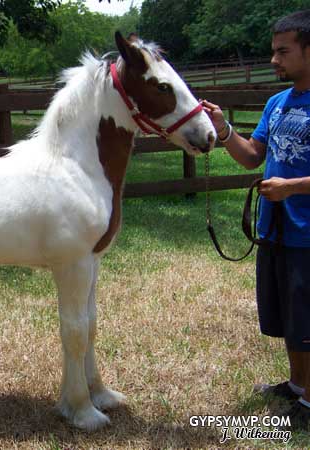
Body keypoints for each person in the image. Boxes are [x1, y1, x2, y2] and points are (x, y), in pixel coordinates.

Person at [202, 10, 310, 431]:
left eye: (283, 51)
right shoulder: (276, 103)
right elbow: (253, 156)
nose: (274, 60)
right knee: (286, 314)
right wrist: (224, 129)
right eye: (273, 52)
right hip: (276, 230)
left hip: (307, 233)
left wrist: (293, 187)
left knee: (308, 317)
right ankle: (297, 384)